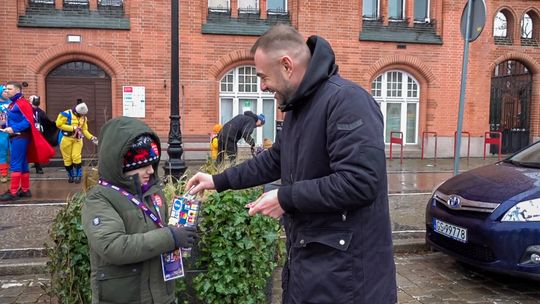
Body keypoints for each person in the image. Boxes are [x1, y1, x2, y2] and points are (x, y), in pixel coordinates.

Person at [186, 24, 397, 303]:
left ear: (286, 65)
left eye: (263, 76)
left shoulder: (346, 101)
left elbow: (360, 182)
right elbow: (275, 159)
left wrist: (286, 197)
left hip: (348, 279)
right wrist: (218, 181)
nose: (261, 85)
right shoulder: (299, 107)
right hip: (314, 265)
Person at [81, 116, 197, 304]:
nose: (151, 171)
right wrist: (170, 237)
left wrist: (182, 232)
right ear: (122, 165)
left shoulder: (153, 193)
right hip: (125, 297)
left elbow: (163, 231)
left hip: (161, 295)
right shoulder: (100, 199)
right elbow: (112, 247)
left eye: (153, 163)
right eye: (143, 165)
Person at [0, 81, 55, 201]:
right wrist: (5, 126)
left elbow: (27, 121)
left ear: (18, 90)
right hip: (18, 137)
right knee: (23, 164)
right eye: (5, 89)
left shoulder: (21, 103)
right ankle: (25, 189)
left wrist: (13, 128)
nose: (6, 91)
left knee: (15, 164)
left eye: (9, 89)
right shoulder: (15, 103)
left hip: (19, 137)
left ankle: (13, 192)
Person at [56, 100, 98, 184]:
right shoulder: (65, 114)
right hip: (65, 138)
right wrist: (73, 128)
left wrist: (91, 137)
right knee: (67, 158)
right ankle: (70, 175)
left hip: (77, 139)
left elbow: (84, 130)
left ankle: (78, 175)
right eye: (82, 114)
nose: (83, 116)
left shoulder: (84, 118)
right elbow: (58, 124)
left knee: (76, 157)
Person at [29, 95, 58, 174]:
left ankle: (38, 167)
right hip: (28, 133)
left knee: (36, 150)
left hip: (38, 133)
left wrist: (55, 124)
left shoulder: (40, 112)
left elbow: (47, 122)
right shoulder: (27, 110)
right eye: (33, 99)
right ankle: (24, 167)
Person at [0, 86, 11, 183]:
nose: (6, 92)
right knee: (2, 153)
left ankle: (17, 172)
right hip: (1, 132)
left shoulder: (12, 103)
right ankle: (3, 174)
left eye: (7, 90)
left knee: (14, 151)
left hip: (13, 131)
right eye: (4, 91)